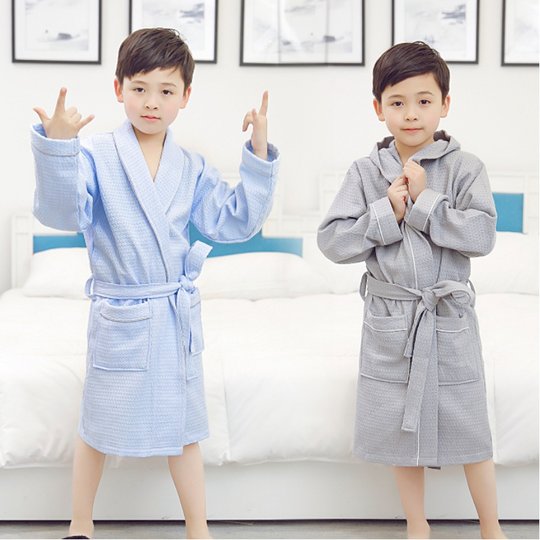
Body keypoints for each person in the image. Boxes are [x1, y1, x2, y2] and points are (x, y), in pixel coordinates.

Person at [31, 27, 278, 540]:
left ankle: (198, 527)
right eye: (140, 88)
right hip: (120, 313)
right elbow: (63, 213)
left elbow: (234, 221)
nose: (151, 102)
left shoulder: (191, 167)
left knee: (184, 427)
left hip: (171, 315)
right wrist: (59, 147)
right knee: (97, 422)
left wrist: (257, 151)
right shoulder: (95, 154)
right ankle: (80, 523)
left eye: (166, 90)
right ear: (118, 88)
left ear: (185, 97)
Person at [317, 41, 505, 540]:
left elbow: (482, 236)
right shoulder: (364, 172)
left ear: (446, 103)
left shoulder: (466, 168)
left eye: (424, 100)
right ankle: (416, 526)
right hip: (392, 320)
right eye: (397, 102)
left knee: (470, 426)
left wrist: (424, 203)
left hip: (447, 317)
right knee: (403, 431)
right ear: (378, 108)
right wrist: (387, 212)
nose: (411, 113)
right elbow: (332, 242)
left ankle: (492, 527)